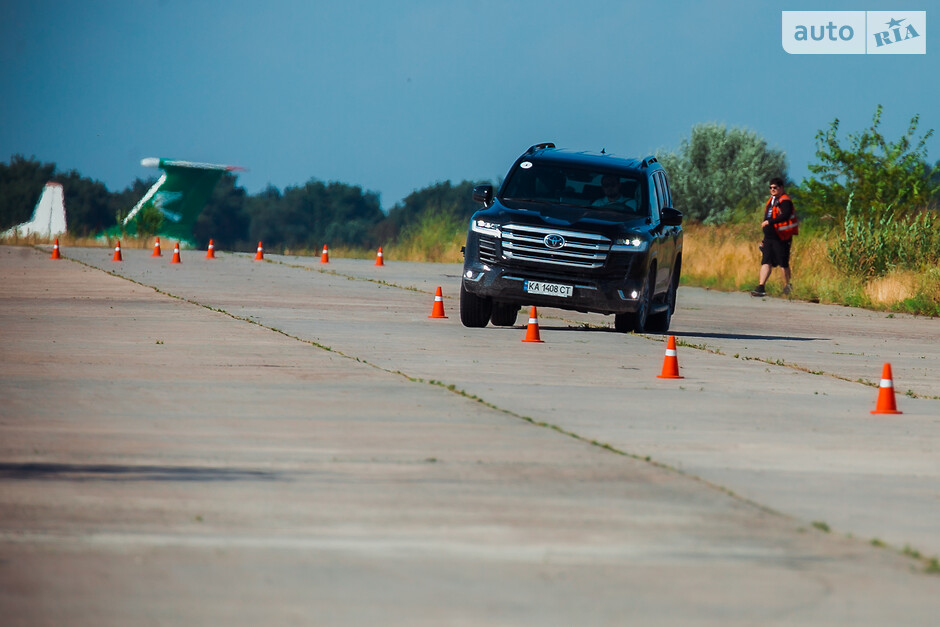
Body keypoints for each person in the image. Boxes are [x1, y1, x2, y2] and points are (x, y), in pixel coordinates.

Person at [751, 177, 795, 297]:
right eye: (770, 188)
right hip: (770, 237)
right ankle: (761, 287)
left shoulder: (785, 201)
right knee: (766, 261)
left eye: (775, 187)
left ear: (781, 188)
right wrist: (764, 239)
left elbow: (785, 215)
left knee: (783, 262)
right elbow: (767, 217)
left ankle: (788, 286)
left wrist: (770, 222)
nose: (772, 189)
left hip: (781, 237)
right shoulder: (771, 201)